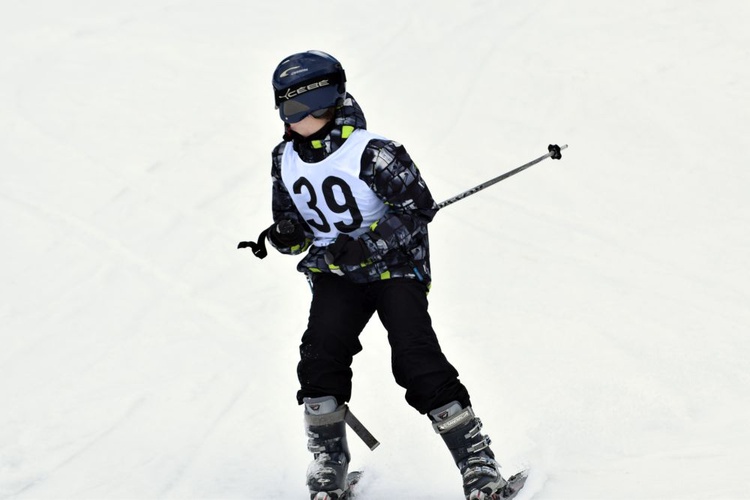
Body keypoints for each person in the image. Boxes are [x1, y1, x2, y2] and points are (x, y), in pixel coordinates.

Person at [252, 50, 518, 500]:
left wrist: (368, 244)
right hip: (335, 273)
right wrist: (284, 234)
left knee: (415, 359)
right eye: (291, 108)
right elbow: (295, 235)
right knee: (320, 355)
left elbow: (417, 210)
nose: (303, 117)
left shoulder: (374, 152)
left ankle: (476, 461)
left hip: (395, 271)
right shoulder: (284, 160)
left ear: (336, 99)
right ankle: (328, 461)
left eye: (314, 103)